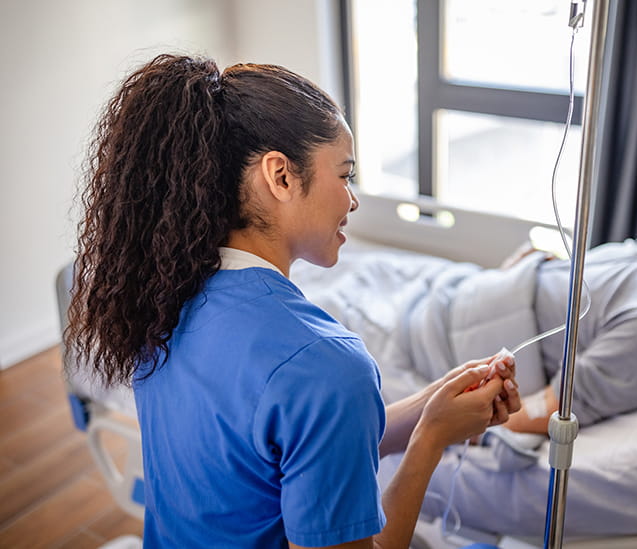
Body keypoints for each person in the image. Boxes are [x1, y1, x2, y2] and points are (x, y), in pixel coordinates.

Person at [64, 54, 521, 548]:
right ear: (280, 176)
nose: (353, 200)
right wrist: (429, 441)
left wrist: (434, 405)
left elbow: (297, 447)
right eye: (345, 175)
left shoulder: (159, 302)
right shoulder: (325, 364)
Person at [300, 163, 637, 435]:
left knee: (295, 332)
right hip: (442, 294)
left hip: (424, 348)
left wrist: (468, 436)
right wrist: (534, 267)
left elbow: (558, 406)